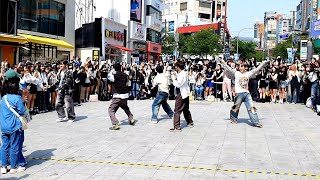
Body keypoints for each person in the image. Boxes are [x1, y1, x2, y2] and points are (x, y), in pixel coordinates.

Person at [218, 59, 269, 128]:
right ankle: (233, 119)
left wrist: (263, 63)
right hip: (239, 94)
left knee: (251, 107)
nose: (242, 67)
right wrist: (222, 62)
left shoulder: (248, 73)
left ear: (245, 68)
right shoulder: (236, 73)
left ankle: (256, 122)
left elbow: (257, 69)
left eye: (243, 66)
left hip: (246, 94)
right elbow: (228, 68)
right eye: (240, 66)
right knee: (235, 107)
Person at [0, 71, 26, 174]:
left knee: (4, 146)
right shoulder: (17, 98)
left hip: (4, 126)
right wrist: (24, 102)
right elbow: (22, 111)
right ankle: (14, 167)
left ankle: (3, 166)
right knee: (15, 146)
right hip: (14, 126)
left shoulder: (3, 98)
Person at [108, 63, 135, 130]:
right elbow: (128, 83)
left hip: (117, 95)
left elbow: (109, 76)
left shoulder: (114, 76)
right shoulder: (125, 75)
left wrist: (112, 70)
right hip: (125, 94)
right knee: (125, 106)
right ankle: (131, 118)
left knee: (111, 110)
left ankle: (115, 124)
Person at [170, 61, 194, 131]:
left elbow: (178, 84)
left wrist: (173, 79)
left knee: (177, 110)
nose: (175, 67)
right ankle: (190, 122)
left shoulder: (182, 74)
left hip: (181, 93)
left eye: (176, 66)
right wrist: (176, 75)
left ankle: (177, 126)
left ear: (178, 67)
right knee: (185, 109)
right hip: (185, 93)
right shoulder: (183, 73)